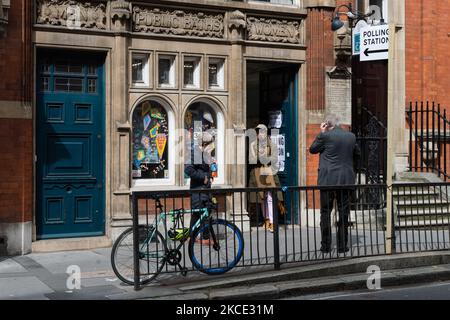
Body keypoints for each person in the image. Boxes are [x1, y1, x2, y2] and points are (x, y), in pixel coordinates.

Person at [309, 114, 361, 253]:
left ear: (327, 124)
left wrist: (322, 132)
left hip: (327, 181)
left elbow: (312, 149)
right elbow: (357, 155)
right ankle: (342, 246)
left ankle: (326, 246)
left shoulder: (325, 136)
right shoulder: (351, 136)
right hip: (345, 181)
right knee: (344, 213)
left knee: (325, 213)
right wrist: (352, 171)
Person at [248, 124, 283, 233]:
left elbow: (274, 158)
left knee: (270, 197)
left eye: (262, 132)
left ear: (266, 133)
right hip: (257, 173)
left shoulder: (272, 145)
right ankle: (266, 219)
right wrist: (260, 157)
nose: (260, 134)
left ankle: (273, 222)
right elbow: (251, 159)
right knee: (262, 198)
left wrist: (264, 157)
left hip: (268, 172)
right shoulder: (253, 145)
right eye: (258, 132)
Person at [185, 132, 215, 244]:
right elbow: (188, 170)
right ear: (204, 143)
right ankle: (205, 237)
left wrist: (210, 175)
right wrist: (204, 178)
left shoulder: (203, 153)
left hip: (203, 189)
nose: (212, 146)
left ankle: (192, 237)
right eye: (210, 144)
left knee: (199, 213)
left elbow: (202, 169)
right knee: (202, 213)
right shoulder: (196, 153)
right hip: (198, 190)